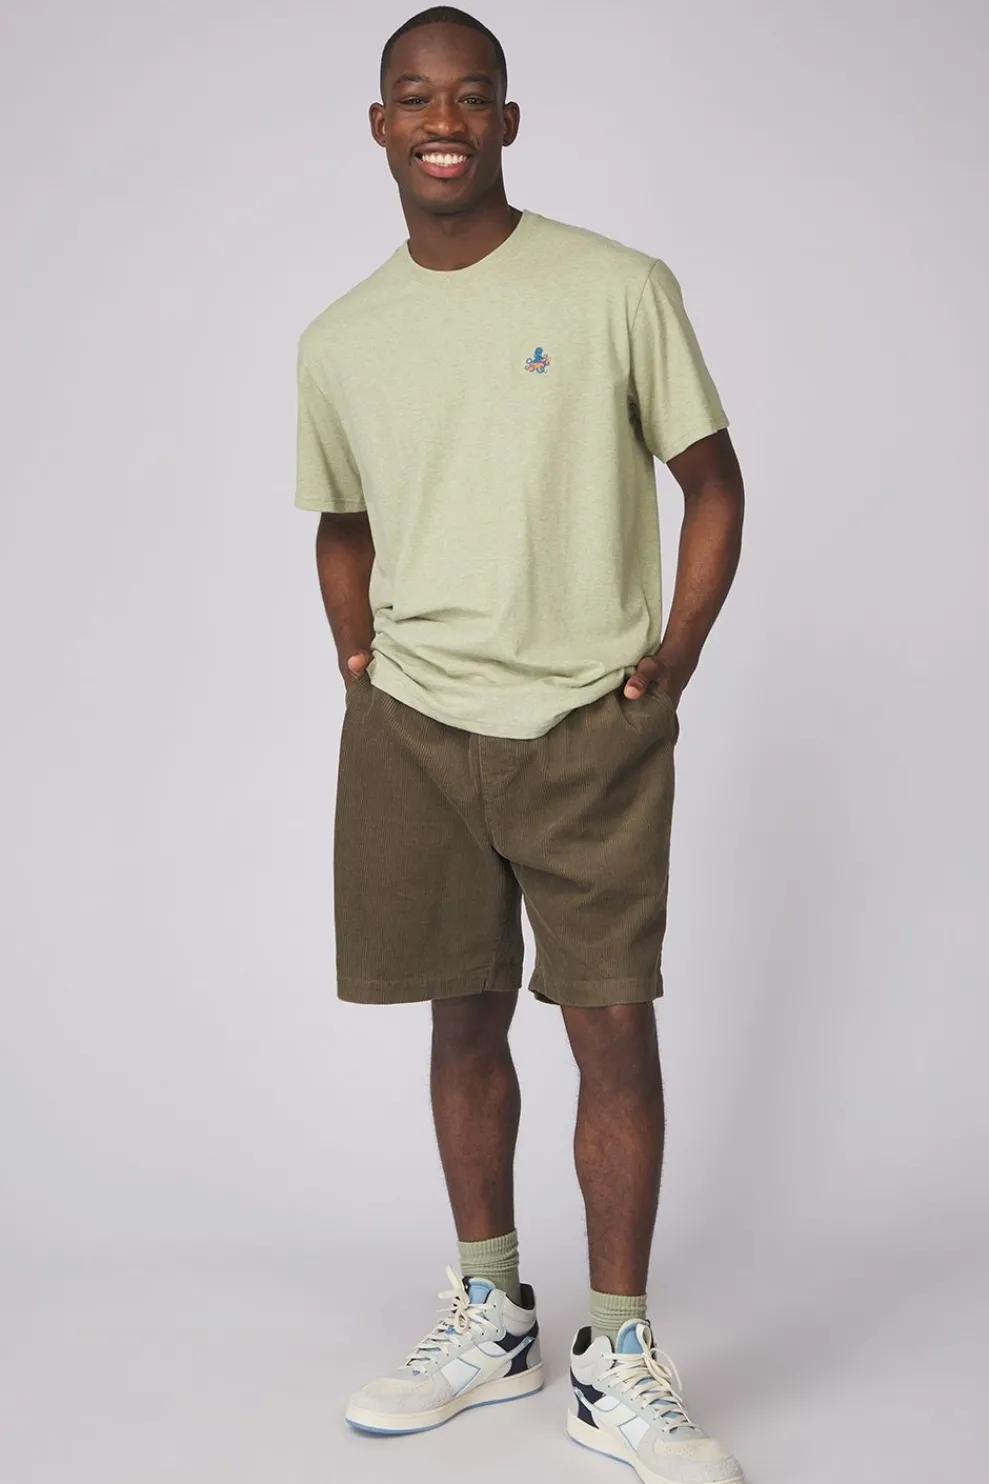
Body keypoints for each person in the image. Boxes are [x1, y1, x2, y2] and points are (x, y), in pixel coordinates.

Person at [294, 8, 746, 1481]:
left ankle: (619, 1353)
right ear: (380, 126)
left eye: (470, 95)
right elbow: (342, 520)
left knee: (611, 1021)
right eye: (415, 98)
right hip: (416, 730)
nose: (444, 119)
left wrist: (672, 662)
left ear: (505, 119)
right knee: (461, 1012)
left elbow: (714, 482)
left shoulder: (616, 286)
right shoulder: (341, 337)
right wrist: (359, 660)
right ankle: (491, 1312)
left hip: (586, 726)